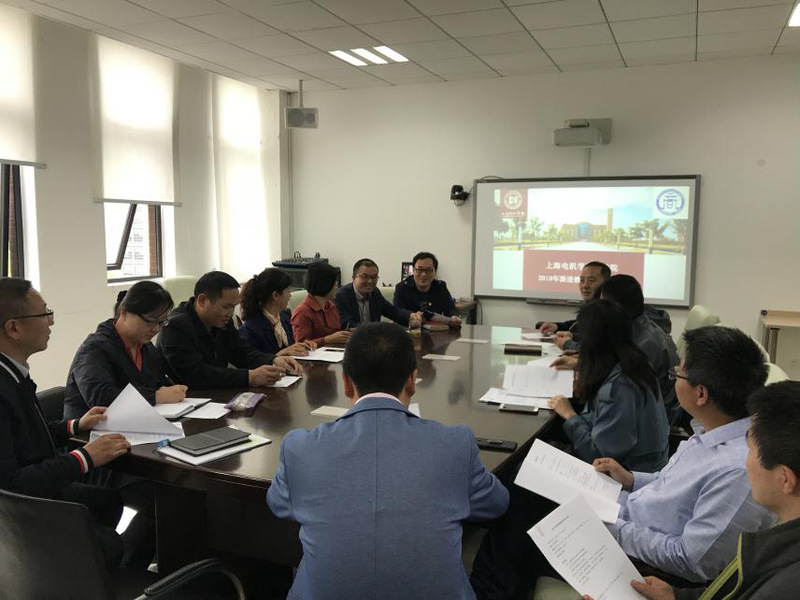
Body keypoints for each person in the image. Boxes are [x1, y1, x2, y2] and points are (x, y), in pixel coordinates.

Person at [471, 326, 773, 599]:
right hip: (623, 513)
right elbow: (670, 486)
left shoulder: (737, 470)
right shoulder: (711, 431)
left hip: (637, 558)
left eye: (678, 374)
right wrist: (631, 479)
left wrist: (610, 526)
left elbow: (691, 561)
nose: (673, 377)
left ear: (702, 393)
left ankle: (490, 589)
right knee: (524, 484)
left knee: (520, 512)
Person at [267, 322, 509, 600]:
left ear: (346, 383)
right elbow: (496, 503)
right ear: (412, 381)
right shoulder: (455, 444)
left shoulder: (300, 448)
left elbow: (279, 504)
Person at [586, 380, 800, 600]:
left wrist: (613, 529)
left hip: (642, 551)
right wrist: (678, 597)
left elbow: (693, 560)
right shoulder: (780, 549)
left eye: (750, 451)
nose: (744, 461)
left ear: (785, 479)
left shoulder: (785, 585)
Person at [0, 278, 131, 571]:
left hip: (37, 489)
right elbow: (11, 483)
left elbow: (26, 432)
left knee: (108, 501)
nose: (51, 322)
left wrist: (75, 425)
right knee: (109, 545)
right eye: (45, 314)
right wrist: (84, 457)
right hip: (18, 510)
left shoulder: (12, 372)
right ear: (13, 328)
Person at [547, 299, 669, 473]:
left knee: (522, 470)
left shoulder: (620, 387)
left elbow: (598, 457)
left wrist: (569, 414)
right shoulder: (636, 361)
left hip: (627, 475)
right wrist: (583, 365)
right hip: (640, 467)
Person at [64, 281, 187, 419]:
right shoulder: (94, 348)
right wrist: (156, 396)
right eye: (150, 321)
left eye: (161, 322)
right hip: (91, 430)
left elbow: (159, 383)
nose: (156, 329)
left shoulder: (146, 347)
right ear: (124, 312)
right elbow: (100, 398)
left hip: (136, 423)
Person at [158, 271, 302, 389]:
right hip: (187, 402)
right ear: (202, 301)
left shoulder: (223, 322)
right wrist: (249, 377)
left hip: (216, 398)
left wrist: (273, 360)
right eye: (226, 307)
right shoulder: (174, 326)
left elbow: (243, 352)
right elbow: (195, 374)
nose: (231, 313)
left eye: (234, 307)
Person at [599, 274, 680, 419]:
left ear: (617, 308)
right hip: (646, 409)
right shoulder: (638, 327)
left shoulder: (642, 346)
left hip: (649, 419)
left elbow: (620, 395)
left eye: (603, 304)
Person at [238, 268, 315, 356]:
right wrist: (281, 354)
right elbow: (254, 361)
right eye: (288, 290)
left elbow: (291, 346)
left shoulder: (284, 316)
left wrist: (302, 346)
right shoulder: (250, 329)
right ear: (276, 295)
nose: (290, 295)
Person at [336, 258, 422, 329]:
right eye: (365, 277)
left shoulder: (374, 292)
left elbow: (392, 311)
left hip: (372, 339)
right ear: (354, 277)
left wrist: (411, 316)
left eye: (374, 277)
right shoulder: (341, 295)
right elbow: (347, 325)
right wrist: (380, 329)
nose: (370, 281)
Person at [538, 261, 610, 336]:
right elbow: (579, 325)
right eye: (582, 280)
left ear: (605, 284)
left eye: (591, 281)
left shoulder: (607, 311)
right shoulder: (590, 308)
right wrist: (557, 327)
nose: (585, 286)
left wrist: (571, 339)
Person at [393, 251, 462, 327]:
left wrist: (454, 316)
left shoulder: (440, 287)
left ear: (435, 272)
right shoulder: (402, 288)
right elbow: (397, 312)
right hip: (409, 331)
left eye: (428, 270)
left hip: (435, 332)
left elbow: (451, 309)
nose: (423, 274)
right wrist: (412, 316)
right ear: (413, 270)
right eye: (419, 270)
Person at [291, 262, 351, 347]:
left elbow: (335, 333)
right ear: (326, 285)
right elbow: (301, 346)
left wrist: (345, 334)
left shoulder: (331, 307)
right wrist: (327, 340)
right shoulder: (303, 312)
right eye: (335, 284)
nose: (337, 288)